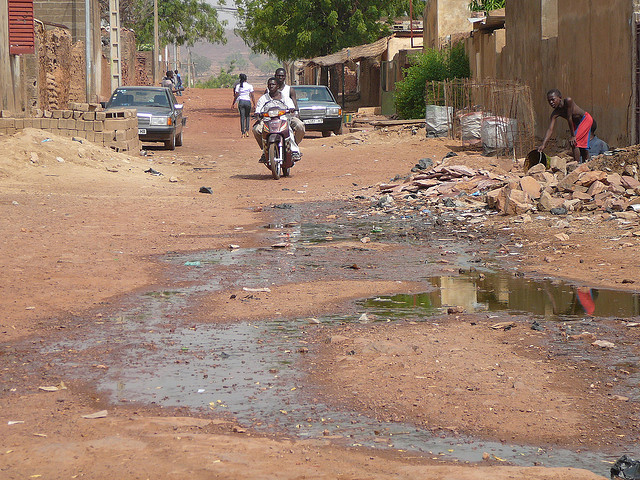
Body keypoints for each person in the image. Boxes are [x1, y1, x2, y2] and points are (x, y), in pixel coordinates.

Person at [538, 89, 595, 163]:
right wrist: (543, 144)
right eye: (549, 101)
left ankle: (576, 165)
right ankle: (586, 163)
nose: (551, 102)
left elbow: (569, 118)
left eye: (553, 99)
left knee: (574, 142)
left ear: (560, 97)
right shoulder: (555, 113)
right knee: (581, 145)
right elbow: (550, 129)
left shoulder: (568, 101)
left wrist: (573, 135)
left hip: (585, 119)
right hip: (575, 123)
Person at [252, 77, 301, 162]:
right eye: (269, 85)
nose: (271, 86)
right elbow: (258, 109)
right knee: (256, 130)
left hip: (282, 119)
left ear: (277, 86)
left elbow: (291, 106)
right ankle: (265, 151)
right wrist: (257, 114)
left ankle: (294, 151)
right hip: (267, 120)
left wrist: (291, 109)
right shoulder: (264, 98)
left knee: (288, 130)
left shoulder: (284, 97)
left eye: (273, 84)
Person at [274, 67, 305, 148]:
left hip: (288, 117)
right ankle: (265, 150)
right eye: (278, 76)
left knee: (300, 126)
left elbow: (295, 105)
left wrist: (296, 114)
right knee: (257, 130)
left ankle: (294, 146)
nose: (280, 78)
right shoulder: (269, 89)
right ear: (275, 76)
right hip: (273, 118)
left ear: (285, 77)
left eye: (282, 76)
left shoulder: (290, 90)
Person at [231, 73, 256, 138]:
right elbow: (252, 96)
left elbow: (236, 96)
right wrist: (254, 104)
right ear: (246, 79)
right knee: (247, 116)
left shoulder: (238, 86)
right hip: (248, 102)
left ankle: (243, 133)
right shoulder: (250, 86)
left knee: (242, 117)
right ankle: (247, 131)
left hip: (241, 102)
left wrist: (233, 104)